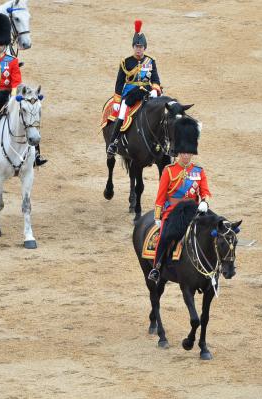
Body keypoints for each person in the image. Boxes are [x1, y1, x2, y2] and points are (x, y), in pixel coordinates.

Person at [148, 116, 210, 283]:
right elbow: (160, 196)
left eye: (189, 153)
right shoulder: (169, 171)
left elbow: (204, 191)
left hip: (195, 210)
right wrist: (157, 216)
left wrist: (204, 201)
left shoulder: (199, 171)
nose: (186, 156)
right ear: (178, 152)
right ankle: (157, 267)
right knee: (166, 235)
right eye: (183, 153)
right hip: (174, 211)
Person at [0, 13, 47, 166]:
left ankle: (36, 154)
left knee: (31, 113)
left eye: (2, 44)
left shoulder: (12, 61)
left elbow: (16, 82)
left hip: (7, 95)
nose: (0, 47)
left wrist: (14, 98)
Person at [107, 20, 162, 155]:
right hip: (130, 93)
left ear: (145, 47)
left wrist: (155, 89)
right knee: (122, 112)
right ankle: (113, 143)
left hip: (146, 91)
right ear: (133, 47)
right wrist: (116, 100)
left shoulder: (150, 61)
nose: (139, 49)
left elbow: (155, 79)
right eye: (136, 46)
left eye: (141, 46)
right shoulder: (126, 62)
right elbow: (120, 82)